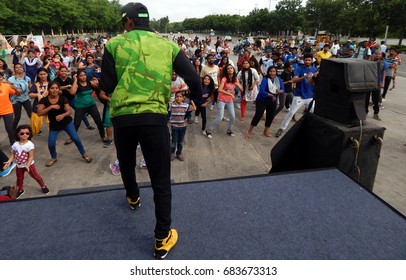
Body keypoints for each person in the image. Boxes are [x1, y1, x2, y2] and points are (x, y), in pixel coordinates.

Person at [100, 2, 202, 259]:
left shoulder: (113, 45)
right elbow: (193, 78)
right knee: (160, 180)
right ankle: (161, 238)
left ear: (129, 22)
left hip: (123, 117)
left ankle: (133, 197)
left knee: (126, 162)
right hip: (154, 119)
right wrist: (198, 102)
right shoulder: (168, 45)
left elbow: (107, 86)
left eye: (124, 22)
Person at [37, 81, 92, 166]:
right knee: (51, 144)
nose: (54, 90)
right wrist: (51, 107)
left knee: (75, 138)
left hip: (66, 122)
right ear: (48, 89)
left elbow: (69, 111)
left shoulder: (63, 98)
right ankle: (53, 157)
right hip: (54, 125)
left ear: (59, 89)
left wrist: (63, 115)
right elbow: (39, 113)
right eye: (52, 88)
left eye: (56, 88)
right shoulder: (44, 100)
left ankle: (84, 154)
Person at [275, 53, 318, 138]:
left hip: (310, 96)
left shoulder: (315, 69)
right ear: (303, 60)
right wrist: (305, 77)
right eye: (306, 60)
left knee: (314, 114)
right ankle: (281, 129)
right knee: (291, 112)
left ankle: (312, 132)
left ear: (312, 60)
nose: (307, 61)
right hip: (299, 95)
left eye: (309, 60)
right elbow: (294, 80)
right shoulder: (299, 69)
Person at [3, 124, 50, 199]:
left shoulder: (30, 145)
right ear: (18, 134)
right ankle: (20, 190)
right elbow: (13, 154)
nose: (25, 135)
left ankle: (43, 186)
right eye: (22, 133)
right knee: (19, 179)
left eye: (27, 133)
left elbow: (31, 156)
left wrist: (27, 165)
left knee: (36, 177)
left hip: (29, 165)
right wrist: (9, 161)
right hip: (19, 166)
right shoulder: (15, 145)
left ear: (30, 134)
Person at [246, 66, 284, 139]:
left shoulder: (278, 79)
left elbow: (282, 89)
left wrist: (280, 91)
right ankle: (250, 130)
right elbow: (262, 91)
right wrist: (271, 95)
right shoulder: (265, 80)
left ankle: (265, 131)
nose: (272, 73)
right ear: (268, 72)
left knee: (270, 116)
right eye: (270, 71)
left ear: (276, 72)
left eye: (274, 71)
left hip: (272, 101)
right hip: (262, 100)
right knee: (258, 115)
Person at [69, 70, 107, 144]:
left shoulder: (90, 83)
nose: (83, 77)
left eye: (84, 75)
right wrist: (75, 80)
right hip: (80, 107)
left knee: (98, 121)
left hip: (91, 105)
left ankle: (103, 136)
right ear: (78, 77)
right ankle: (72, 138)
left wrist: (98, 82)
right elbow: (72, 92)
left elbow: (98, 87)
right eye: (81, 76)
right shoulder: (77, 84)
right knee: (76, 123)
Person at [205, 64, 243, 139]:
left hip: (229, 101)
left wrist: (238, 85)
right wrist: (229, 93)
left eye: (231, 68)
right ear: (226, 71)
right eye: (228, 69)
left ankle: (230, 130)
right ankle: (208, 130)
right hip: (221, 100)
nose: (230, 69)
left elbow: (241, 89)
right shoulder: (224, 79)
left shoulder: (235, 79)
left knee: (233, 116)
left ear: (233, 69)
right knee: (220, 117)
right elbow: (219, 89)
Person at [168, 91, 193, 161]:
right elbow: (168, 114)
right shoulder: (171, 105)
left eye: (180, 97)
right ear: (175, 97)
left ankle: (179, 153)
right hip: (174, 126)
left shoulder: (186, 105)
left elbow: (192, 109)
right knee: (174, 141)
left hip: (183, 127)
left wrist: (192, 101)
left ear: (183, 98)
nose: (178, 98)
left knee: (180, 142)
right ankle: (172, 153)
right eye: (177, 97)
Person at [9, 63, 32, 131]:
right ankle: (12, 130)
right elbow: (10, 90)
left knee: (31, 114)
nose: (19, 68)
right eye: (17, 67)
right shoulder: (11, 79)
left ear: (23, 68)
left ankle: (35, 127)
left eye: (20, 67)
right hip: (16, 100)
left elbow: (30, 88)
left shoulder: (27, 78)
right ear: (14, 69)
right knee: (17, 117)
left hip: (26, 98)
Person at [0, 74, 22, 146]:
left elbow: (18, 93)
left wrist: (15, 88)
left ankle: (13, 145)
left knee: (10, 129)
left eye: (0, 77)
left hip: (7, 110)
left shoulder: (6, 86)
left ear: (2, 78)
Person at [366, 50, 387, 121]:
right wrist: (370, 60)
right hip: (369, 82)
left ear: (381, 55)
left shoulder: (383, 63)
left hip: (377, 83)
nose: (377, 55)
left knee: (376, 99)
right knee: (366, 98)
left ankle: (376, 113)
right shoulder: (370, 62)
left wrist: (383, 82)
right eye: (376, 54)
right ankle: (365, 112)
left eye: (379, 54)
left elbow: (384, 73)